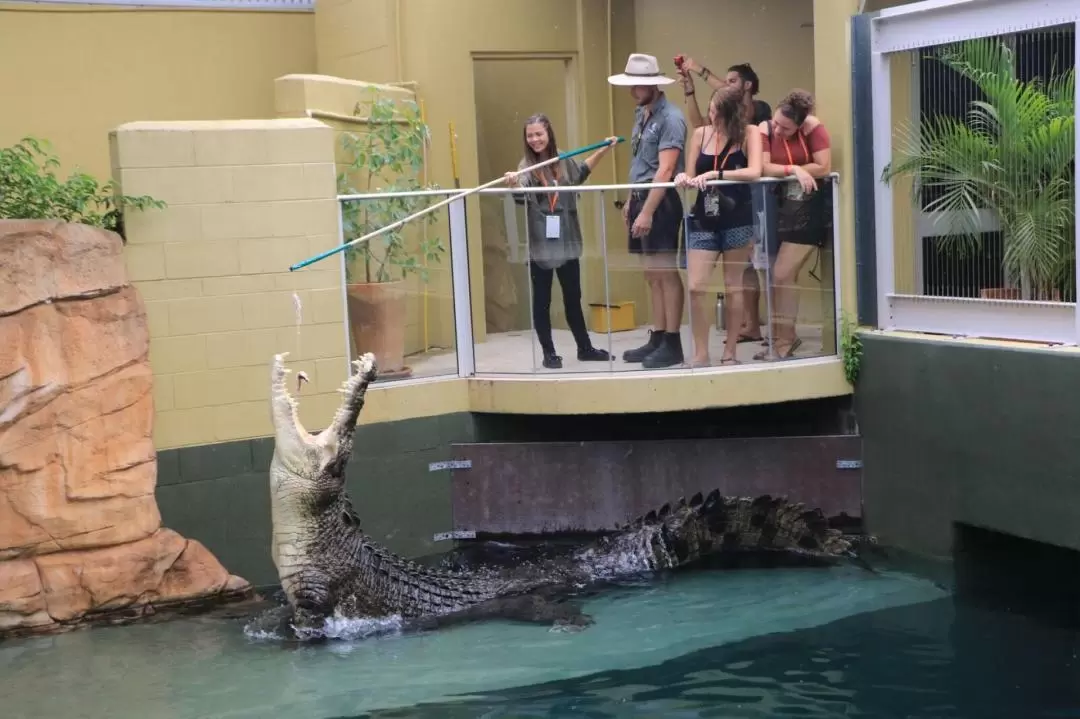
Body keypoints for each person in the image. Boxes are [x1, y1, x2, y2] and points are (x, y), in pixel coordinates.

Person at [504, 114, 619, 370]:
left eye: (539, 134)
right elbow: (521, 195)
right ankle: (549, 353)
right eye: (530, 135)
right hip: (541, 248)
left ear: (549, 134)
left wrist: (603, 149)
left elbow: (581, 174)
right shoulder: (526, 166)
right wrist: (513, 185)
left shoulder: (563, 159)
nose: (534, 140)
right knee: (542, 301)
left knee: (573, 298)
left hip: (568, 243)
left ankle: (585, 348)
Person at [675, 57, 773, 345]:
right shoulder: (701, 134)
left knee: (734, 286)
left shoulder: (750, 132)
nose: (711, 117)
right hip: (704, 216)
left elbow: (755, 171)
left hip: (737, 216)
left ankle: (730, 347)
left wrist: (717, 173)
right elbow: (691, 173)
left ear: (729, 114)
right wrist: (684, 178)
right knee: (695, 287)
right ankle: (701, 350)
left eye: (716, 112)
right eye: (710, 111)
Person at [606, 53, 688, 370]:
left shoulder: (671, 118)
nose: (633, 91)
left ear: (653, 83)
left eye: (638, 85)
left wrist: (648, 211)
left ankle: (672, 341)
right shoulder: (642, 113)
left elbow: (665, 170)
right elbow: (639, 163)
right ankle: (658, 336)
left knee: (665, 272)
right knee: (651, 274)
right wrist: (631, 201)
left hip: (661, 201)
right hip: (641, 195)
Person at [755, 89, 833, 361]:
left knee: (782, 273)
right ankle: (780, 337)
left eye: (786, 128)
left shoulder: (813, 128)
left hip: (808, 209)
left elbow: (823, 167)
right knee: (776, 276)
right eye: (776, 123)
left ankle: (786, 340)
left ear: (801, 124)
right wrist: (795, 169)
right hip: (780, 207)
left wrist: (801, 168)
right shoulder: (766, 128)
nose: (778, 130)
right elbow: (763, 167)